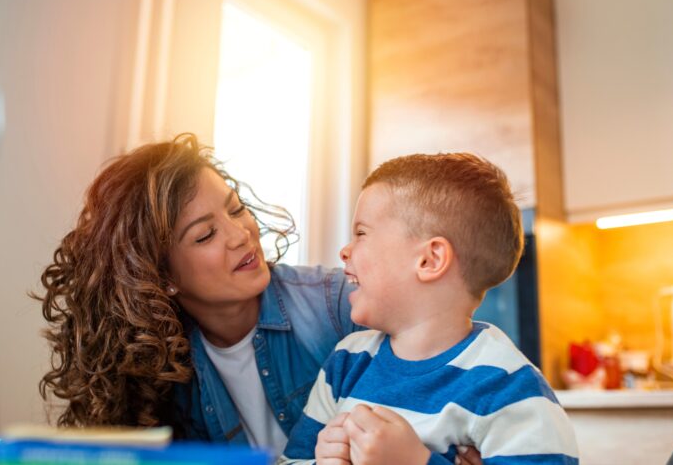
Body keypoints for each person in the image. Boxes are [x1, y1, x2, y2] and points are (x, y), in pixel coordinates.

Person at [34, 133, 483, 463]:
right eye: (206, 234)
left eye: (235, 209)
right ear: (161, 275)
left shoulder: (338, 306)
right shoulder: (159, 366)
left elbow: (466, 380)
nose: (241, 235)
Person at [280, 153, 580, 464]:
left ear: (429, 260)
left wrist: (415, 461)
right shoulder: (346, 363)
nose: (345, 250)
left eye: (361, 233)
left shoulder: (506, 385)